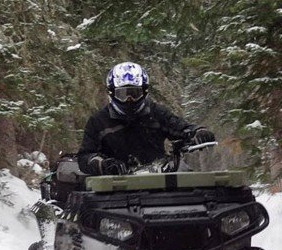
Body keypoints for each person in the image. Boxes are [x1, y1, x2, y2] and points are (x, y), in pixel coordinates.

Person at [78, 61, 215, 176]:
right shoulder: (99, 121)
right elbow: (85, 156)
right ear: (112, 93)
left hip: (157, 178)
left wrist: (198, 132)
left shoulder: (155, 113)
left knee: (187, 175)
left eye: (134, 93)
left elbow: (180, 127)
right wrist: (104, 165)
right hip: (115, 185)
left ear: (144, 92)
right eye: (123, 94)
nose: (129, 100)